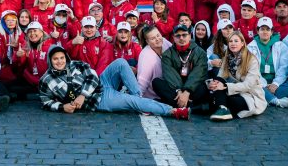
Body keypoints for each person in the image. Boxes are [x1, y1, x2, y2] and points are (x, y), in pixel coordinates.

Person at [39, 46, 189, 119]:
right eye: (55, 59)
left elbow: (92, 76)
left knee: (121, 62)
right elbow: (46, 102)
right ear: (50, 61)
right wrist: (62, 107)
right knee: (132, 102)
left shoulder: (76, 64)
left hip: (101, 82)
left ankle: (138, 97)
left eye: (61, 57)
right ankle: (172, 111)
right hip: (99, 99)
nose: (59, 61)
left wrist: (82, 95)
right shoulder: (46, 80)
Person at [206, 31, 267, 121]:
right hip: (234, 92)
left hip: (250, 95)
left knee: (225, 100)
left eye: (236, 41)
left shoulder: (251, 59)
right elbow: (220, 77)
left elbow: (248, 85)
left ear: (242, 43)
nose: (233, 44)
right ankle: (223, 109)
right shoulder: (226, 58)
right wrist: (213, 83)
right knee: (218, 81)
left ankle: (219, 107)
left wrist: (226, 87)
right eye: (230, 41)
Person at [151, 24, 209, 110]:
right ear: (174, 38)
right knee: (156, 82)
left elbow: (198, 74)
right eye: (178, 36)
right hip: (176, 90)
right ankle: (191, 106)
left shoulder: (200, 52)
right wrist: (179, 90)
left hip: (192, 89)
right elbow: (170, 74)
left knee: (203, 86)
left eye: (184, 35)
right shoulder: (167, 54)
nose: (181, 38)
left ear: (189, 36)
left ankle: (173, 104)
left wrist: (187, 91)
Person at [246, 17, 288, 109]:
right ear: (257, 30)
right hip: (258, 81)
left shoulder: (281, 46)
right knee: (252, 87)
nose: (265, 32)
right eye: (262, 29)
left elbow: (284, 67)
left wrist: (275, 84)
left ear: (272, 31)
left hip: (277, 80)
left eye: (268, 29)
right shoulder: (250, 47)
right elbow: (252, 70)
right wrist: (264, 84)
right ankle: (275, 101)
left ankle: (264, 97)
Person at [136, 25, 173, 99]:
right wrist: (137, 100)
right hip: (155, 95)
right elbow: (142, 81)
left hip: (171, 85)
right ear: (147, 42)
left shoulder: (165, 42)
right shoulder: (145, 55)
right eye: (153, 38)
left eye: (158, 35)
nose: (157, 39)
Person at [14, 21, 54, 89]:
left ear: (41, 33)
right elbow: (19, 68)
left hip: (46, 84)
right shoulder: (26, 48)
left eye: (35, 31)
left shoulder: (50, 47)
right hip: (30, 82)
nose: (32, 33)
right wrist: (17, 56)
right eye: (30, 31)